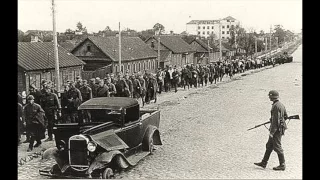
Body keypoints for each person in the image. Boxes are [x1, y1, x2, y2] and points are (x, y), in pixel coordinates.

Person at [254, 90, 288, 171]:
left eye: (269, 96)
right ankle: (264, 162)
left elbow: (276, 121)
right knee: (269, 146)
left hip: (276, 130)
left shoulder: (276, 106)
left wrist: (272, 133)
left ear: (272, 96)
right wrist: (277, 120)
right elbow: (286, 116)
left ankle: (282, 164)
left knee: (277, 146)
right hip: (279, 128)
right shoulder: (280, 105)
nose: (269, 97)